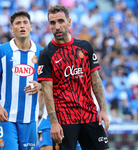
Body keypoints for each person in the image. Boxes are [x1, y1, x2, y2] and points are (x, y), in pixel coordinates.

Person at [37, 5, 109, 150]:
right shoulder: (46, 54)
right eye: (52, 23)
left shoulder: (85, 47)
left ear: (69, 22)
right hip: (65, 118)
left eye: (60, 21)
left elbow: (95, 80)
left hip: (89, 114)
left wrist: (103, 110)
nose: (57, 26)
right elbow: (47, 91)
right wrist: (54, 123)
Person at [0, 11, 42, 150]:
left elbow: (50, 82)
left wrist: (40, 86)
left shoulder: (41, 53)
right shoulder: (2, 50)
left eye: (25, 22)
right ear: (12, 29)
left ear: (31, 27)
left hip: (30, 117)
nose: (22, 26)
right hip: (6, 116)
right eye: (18, 23)